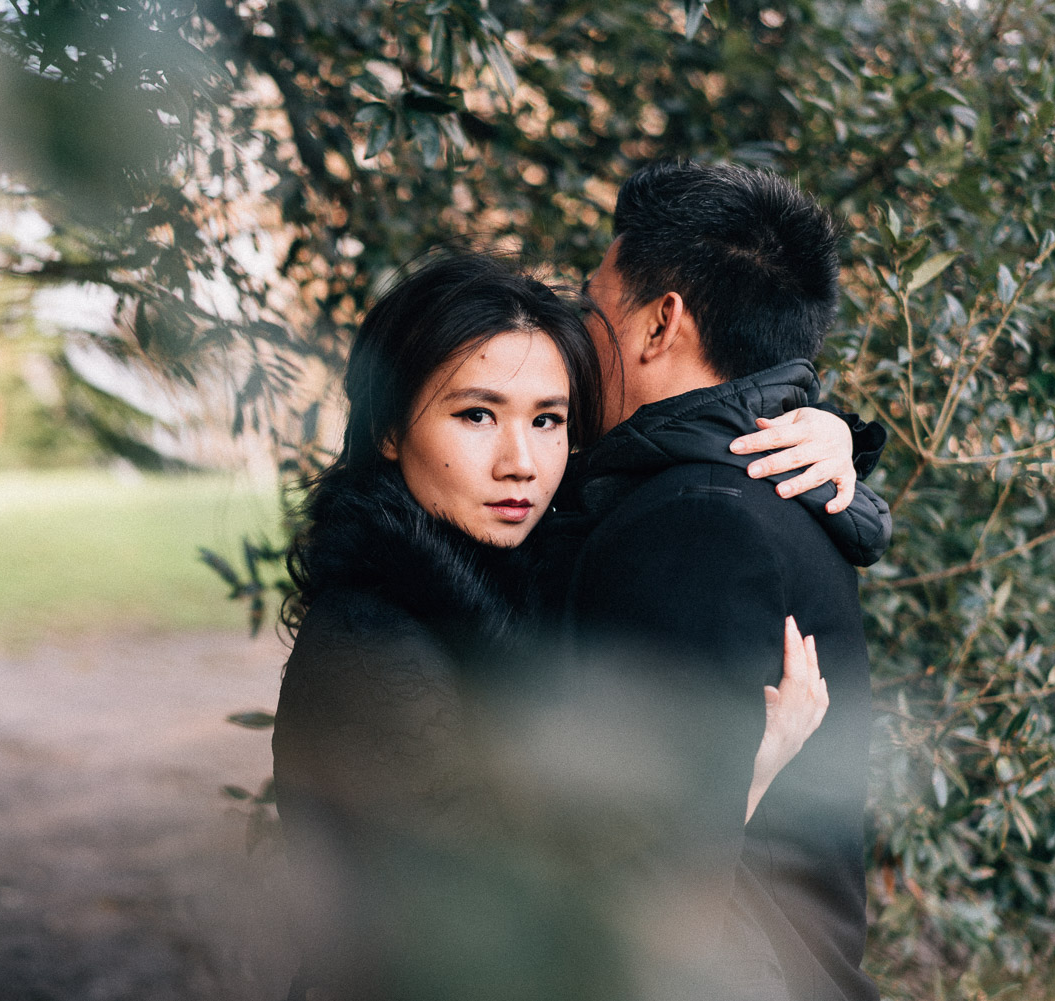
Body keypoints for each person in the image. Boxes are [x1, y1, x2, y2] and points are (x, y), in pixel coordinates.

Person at [272, 250, 882, 1001]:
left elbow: (673, 436)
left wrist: (822, 430)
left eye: (550, 419)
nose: (520, 461)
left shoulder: (522, 568)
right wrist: (747, 775)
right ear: (391, 429)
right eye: (475, 415)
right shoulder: (373, 649)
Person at [561, 160, 887, 1001]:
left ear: (659, 322)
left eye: (593, 303)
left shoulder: (698, 519)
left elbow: (655, 858)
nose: (577, 329)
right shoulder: (758, 487)